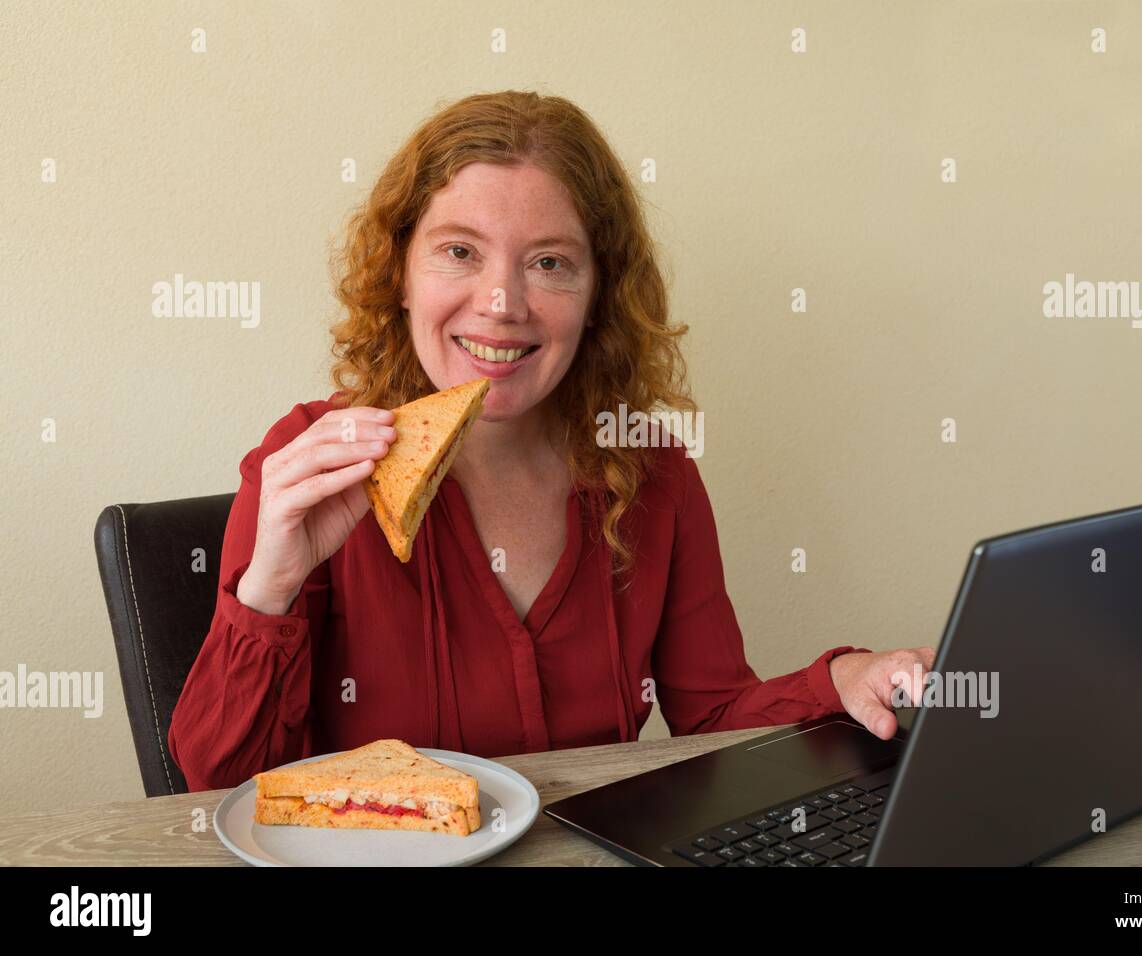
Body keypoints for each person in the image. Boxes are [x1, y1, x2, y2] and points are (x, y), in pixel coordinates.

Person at [168, 90, 935, 792]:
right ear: (400, 273)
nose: (501, 304)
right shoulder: (311, 457)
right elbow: (220, 786)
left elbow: (714, 718)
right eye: (460, 251)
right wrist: (269, 589)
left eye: (549, 263)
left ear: (599, 295)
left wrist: (840, 681)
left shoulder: (651, 470)